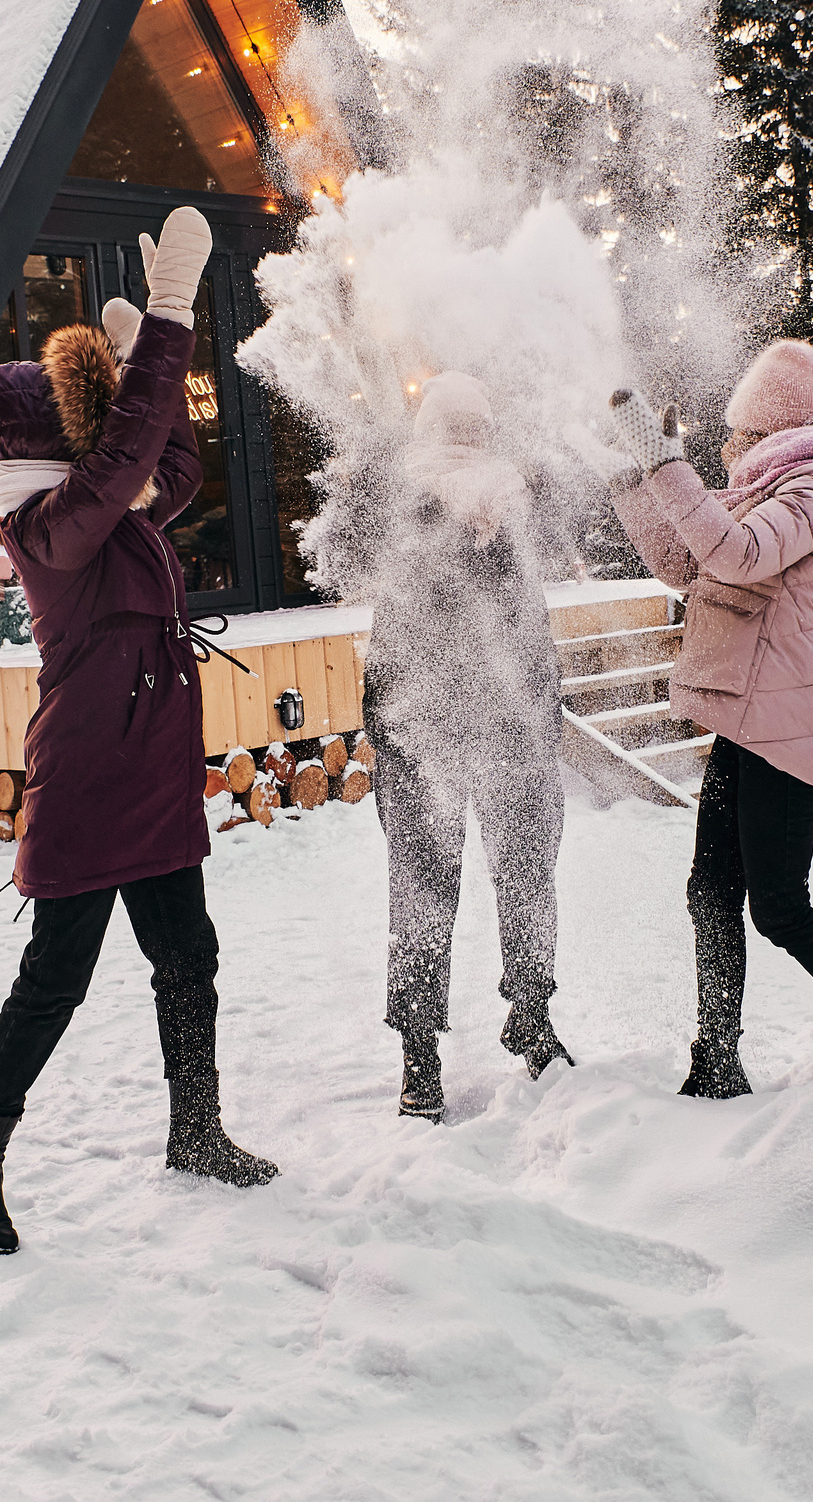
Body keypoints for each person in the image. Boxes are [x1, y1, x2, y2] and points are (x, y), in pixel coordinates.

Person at [0, 208, 276, 1254]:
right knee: (55, 980)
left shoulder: (108, 513)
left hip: (154, 771)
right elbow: (127, 458)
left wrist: (139, 362)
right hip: (88, 779)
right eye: (82, 433)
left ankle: (197, 1129)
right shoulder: (49, 527)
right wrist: (167, 319)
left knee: (190, 955)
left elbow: (169, 467)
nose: (97, 447)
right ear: (48, 442)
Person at [602, 340, 813, 1098]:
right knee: (709, 891)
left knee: (779, 906)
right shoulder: (774, 481)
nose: (726, 448)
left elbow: (739, 553)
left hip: (790, 721)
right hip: (751, 715)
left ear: (769, 431)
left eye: (738, 435)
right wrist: (629, 475)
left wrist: (667, 464)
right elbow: (688, 562)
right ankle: (716, 1058)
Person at [337, 372, 574, 1119]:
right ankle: (436, 1045)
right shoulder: (403, 503)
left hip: (497, 728)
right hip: (432, 732)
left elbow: (528, 622)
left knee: (488, 882)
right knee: (449, 889)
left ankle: (516, 1023)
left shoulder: (512, 503)